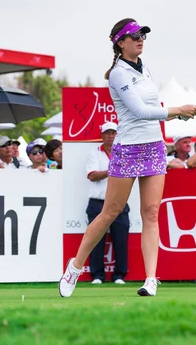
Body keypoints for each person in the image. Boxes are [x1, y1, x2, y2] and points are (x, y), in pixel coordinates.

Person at [59, 18, 196, 298]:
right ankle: (75, 267)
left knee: (151, 213)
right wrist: (176, 109)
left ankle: (150, 280)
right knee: (110, 212)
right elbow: (139, 111)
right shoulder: (118, 74)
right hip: (128, 148)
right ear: (120, 42)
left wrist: (177, 113)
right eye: (134, 36)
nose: (140, 40)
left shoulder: (144, 68)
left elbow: (153, 107)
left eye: (142, 36)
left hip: (154, 147)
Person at [85, 122, 130, 285]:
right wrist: (112, 170)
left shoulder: (125, 153)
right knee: (96, 239)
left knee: (121, 239)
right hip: (98, 202)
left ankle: (119, 275)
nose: (111, 136)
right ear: (102, 135)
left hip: (120, 201)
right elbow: (92, 175)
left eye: (114, 133)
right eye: (107, 133)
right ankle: (97, 275)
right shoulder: (94, 153)